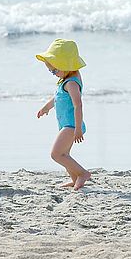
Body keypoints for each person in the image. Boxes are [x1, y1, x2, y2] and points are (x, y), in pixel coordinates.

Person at [35, 38, 92, 190]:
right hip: (67, 124)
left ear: (66, 65)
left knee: (56, 154)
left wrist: (78, 128)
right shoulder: (65, 79)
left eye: (54, 70)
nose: (53, 73)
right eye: (50, 70)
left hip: (72, 125)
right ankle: (75, 179)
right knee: (65, 154)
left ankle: (83, 173)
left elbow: (78, 105)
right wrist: (47, 107)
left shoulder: (71, 83)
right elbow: (58, 97)